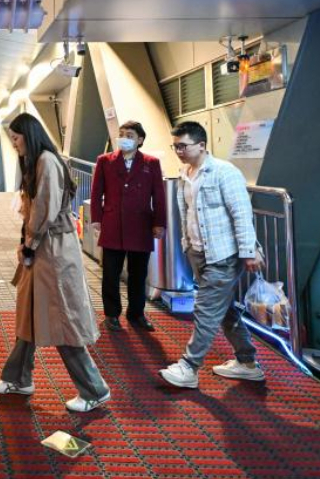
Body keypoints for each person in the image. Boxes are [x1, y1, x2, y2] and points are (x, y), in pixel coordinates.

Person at [0, 113, 110, 413]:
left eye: (16, 139)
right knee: (29, 313)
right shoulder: (41, 161)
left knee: (61, 318)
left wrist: (29, 245)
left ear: (29, 136)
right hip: (46, 249)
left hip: (52, 251)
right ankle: (18, 377)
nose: (14, 144)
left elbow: (44, 209)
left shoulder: (46, 162)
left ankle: (94, 389)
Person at [159, 121, 265, 389]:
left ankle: (189, 367)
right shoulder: (185, 173)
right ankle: (247, 362)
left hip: (223, 255)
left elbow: (241, 213)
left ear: (202, 145)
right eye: (175, 146)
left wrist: (249, 250)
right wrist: (186, 244)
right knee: (224, 309)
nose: (179, 151)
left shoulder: (224, 172)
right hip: (198, 252)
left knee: (205, 310)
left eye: (183, 146)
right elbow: (187, 213)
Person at [90, 121, 166, 332]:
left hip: (141, 226)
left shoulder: (151, 163)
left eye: (129, 135)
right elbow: (96, 193)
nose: (124, 138)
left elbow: (159, 196)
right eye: (121, 134)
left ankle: (136, 313)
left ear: (140, 140)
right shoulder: (105, 161)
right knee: (110, 274)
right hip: (113, 224)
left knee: (138, 274)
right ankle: (111, 314)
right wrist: (96, 218)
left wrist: (159, 222)